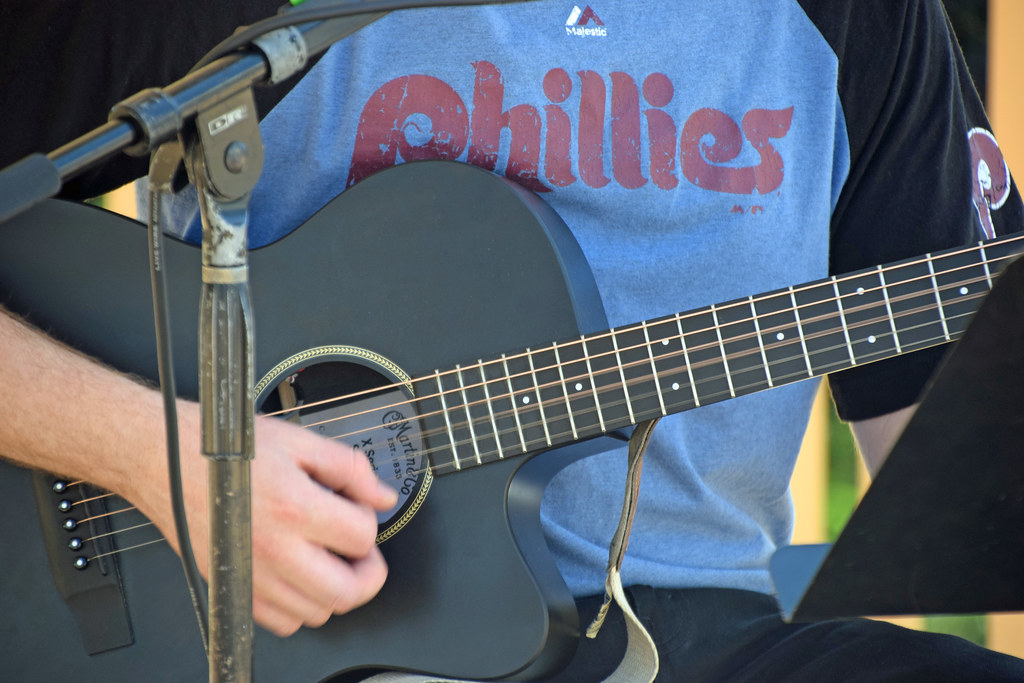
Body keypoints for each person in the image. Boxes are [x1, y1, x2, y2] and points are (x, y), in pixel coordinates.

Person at [1, 0, 1022, 680]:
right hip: (301, 641)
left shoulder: (857, 14)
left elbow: (955, 467)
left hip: (711, 636)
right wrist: (158, 458)